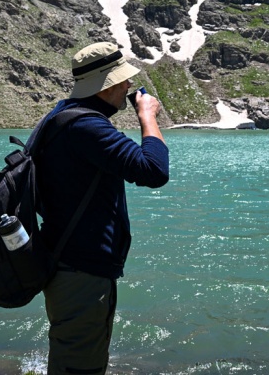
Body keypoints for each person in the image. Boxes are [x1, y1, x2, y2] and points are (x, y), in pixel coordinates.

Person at [35, 41, 169, 375]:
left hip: (66, 262)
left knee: (75, 357)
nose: (127, 86)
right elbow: (154, 170)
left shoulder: (63, 115)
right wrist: (147, 116)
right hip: (81, 270)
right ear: (106, 84)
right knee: (80, 368)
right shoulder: (87, 127)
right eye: (122, 80)